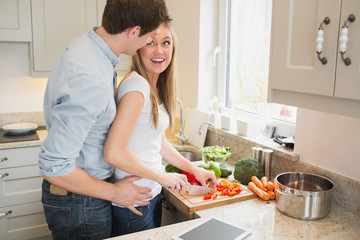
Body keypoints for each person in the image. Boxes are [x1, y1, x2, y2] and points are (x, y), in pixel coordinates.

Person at [38, 1, 172, 239]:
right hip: (79, 200)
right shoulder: (90, 76)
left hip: (81, 196)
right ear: (134, 32)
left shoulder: (89, 48)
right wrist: (114, 193)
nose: (150, 45)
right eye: (149, 38)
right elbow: (54, 167)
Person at [103, 23, 218, 236]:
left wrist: (194, 169)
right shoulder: (137, 88)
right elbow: (113, 152)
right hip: (134, 202)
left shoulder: (153, 87)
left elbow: (158, 143)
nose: (159, 50)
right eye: (150, 43)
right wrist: (162, 176)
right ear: (139, 48)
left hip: (149, 196)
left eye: (166, 42)